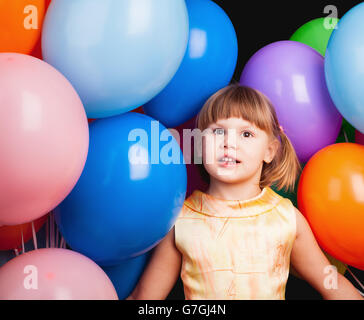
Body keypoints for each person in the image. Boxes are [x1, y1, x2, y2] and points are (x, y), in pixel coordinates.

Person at [127, 83, 363, 300]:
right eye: (218, 132)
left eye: (246, 134)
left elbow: (331, 283)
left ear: (270, 151)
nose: (229, 143)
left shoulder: (285, 218)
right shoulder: (181, 220)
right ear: (200, 144)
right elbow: (145, 298)